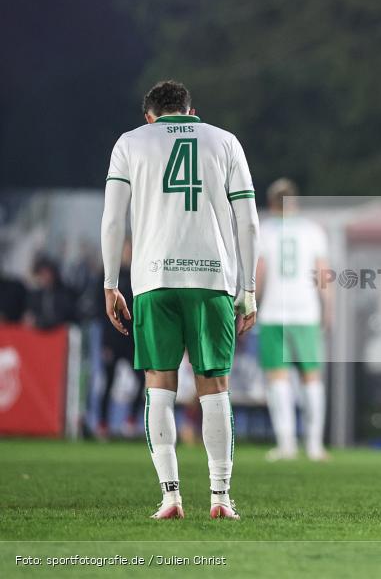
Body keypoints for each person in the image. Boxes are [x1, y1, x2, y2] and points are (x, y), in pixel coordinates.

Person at [100, 80, 259, 521]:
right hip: (212, 279)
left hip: (154, 278)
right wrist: (247, 290)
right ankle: (221, 497)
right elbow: (247, 219)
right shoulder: (224, 141)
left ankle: (171, 496)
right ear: (192, 112)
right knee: (214, 386)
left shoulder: (131, 142)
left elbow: (113, 219)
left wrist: (111, 282)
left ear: (149, 116)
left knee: (160, 384)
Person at [256, 178, 332, 462]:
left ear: (273, 203)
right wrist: (328, 309)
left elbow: (260, 272)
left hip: (274, 312)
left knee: (278, 378)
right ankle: (314, 445)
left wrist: (251, 304)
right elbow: (323, 274)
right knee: (311, 377)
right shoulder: (313, 230)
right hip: (306, 311)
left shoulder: (265, 230)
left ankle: (286, 444)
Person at [96, 238, 142, 438]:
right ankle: (103, 424)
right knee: (108, 382)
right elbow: (102, 312)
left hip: (131, 340)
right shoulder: (109, 277)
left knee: (142, 379)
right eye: (126, 249)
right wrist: (105, 342)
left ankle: (131, 421)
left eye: (131, 249)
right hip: (113, 340)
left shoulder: (139, 276)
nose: (128, 253)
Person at [23, 256, 77, 329]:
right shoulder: (36, 295)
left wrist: (39, 321)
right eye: (41, 274)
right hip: (39, 335)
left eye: (46, 273)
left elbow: (61, 318)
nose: (44, 277)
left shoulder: (65, 294)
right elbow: (31, 313)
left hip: (59, 334)